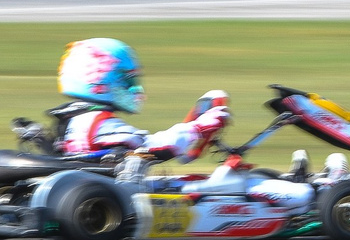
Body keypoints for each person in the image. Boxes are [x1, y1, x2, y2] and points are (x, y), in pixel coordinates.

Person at [43, 37, 232, 163]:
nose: (135, 90)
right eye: (128, 81)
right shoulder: (95, 122)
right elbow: (151, 147)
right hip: (108, 198)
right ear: (100, 80)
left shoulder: (70, 118)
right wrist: (198, 128)